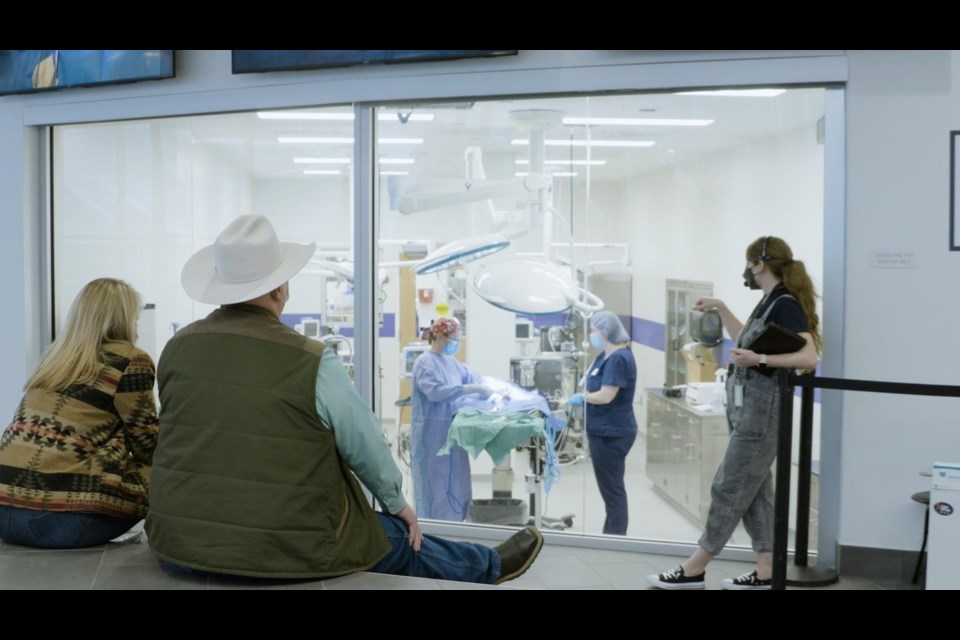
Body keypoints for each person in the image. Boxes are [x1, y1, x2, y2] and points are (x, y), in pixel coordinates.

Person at [145, 215, 543, 584]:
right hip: (278, 548)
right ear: (281, 287)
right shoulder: (310, 360)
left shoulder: (177, 347)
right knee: (389, 536)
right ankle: (488, 566)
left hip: (179, 543)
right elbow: (364, 443)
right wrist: (397, 502)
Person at [648, 235, 821, 590]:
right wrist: (722, 307)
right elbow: (745, 339)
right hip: (747, 408)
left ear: (759, 264)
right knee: (756, 489)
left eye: (749, 264)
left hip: (762, 410)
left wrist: (760, 360)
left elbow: (808, 356)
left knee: (729, 486)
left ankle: (695, 567)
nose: (747, 270)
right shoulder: (768, 302)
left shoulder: (785, 302)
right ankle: (766, 571)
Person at [0, 278, 159, 548]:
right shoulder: (131, 359)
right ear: (124, 316)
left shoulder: (55, 360)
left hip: (5, 516)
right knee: (164, 467)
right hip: (59, 523)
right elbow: (148, 446)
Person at [411, 316, 492, 521]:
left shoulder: (451, 362)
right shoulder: (424, 363)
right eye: (453, 338)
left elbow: (471, 377)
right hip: (432, 439)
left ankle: (455, 526)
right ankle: (434, 532)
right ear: (439, 335)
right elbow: (437, 392)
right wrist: (470, 389)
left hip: (453, 436)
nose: (456, 343)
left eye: (458, 338)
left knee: (457, 483)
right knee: (436, 487)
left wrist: (483, 384)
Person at [567, 311, 638, 535]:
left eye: (594, 330)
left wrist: (583, 398)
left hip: (612, 432)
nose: (592, 334)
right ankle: (611, 534)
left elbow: (606, 396)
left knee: (613, 490)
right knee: (609, 489)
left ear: (605, 332)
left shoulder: (619, 358)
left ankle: (616, 538)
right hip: (603, 429)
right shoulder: (604, 356)